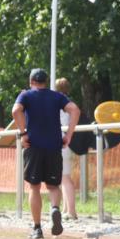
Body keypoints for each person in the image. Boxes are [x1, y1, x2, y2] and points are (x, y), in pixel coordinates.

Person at [11, 68, 80, 239]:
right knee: (53, 186)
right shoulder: (56, 96)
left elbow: (15, 110)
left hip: (33, 145)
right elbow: (75, 110)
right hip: (54, 146)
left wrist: (23, 133)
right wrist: (69, 135)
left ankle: (37, 228)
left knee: (34, 187)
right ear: (46, 82)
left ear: (31, 81)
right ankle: (55, 208)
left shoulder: (26, 96)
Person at [55, 77, 80, 220]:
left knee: (64, 178)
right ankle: (66, 209)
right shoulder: (68, 103)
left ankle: (71, 210)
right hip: (67, 142)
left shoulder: (58, 104)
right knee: (63, 177)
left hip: (62, 142)